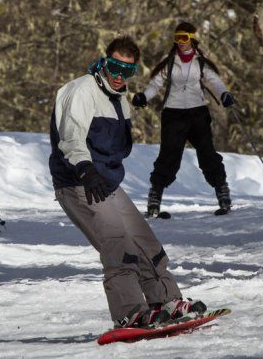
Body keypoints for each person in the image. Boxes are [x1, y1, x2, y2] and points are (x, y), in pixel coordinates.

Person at [49, 36, 206, 329]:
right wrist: (85, 169)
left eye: (127, 71)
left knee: (145, 241)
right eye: (114, 67)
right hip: (78, 181)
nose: (119, 76)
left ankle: (165, 301)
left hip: (105, 181)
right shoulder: (81, 91)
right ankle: (130, 311)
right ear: (104, 62)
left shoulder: (119, 98)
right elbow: (70, 136)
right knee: (118, 244)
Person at [132, 22, 236, 217]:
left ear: (192, 39)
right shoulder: (169, 60)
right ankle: (155, 196)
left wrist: (224, 94)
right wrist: (144, 97)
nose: (180, 42)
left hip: (198, 112)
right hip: (173, 113)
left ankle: (222, 191)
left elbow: (214, 81)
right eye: (177, 38)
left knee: (207, 153)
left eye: (184, 38)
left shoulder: (200, 62)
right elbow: (156, 84)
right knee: (169, 156)